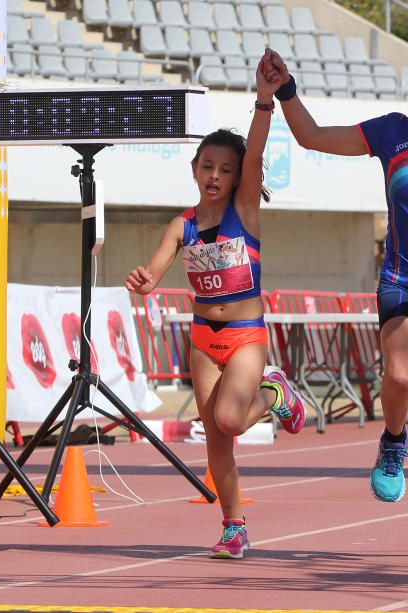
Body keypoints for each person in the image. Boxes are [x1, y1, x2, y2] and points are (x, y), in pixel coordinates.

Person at [261, 39, 408, 559]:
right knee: (399, 376)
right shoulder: (392, 132)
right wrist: (286, 91)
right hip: (403, 280)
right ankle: (394, 441)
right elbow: (310, 138)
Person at [125, 51, 306, 560]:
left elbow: (255, 156)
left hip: (247, 334)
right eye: (207, 166)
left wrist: (264, 101)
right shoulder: (181, 225)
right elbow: (155, 272)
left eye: (225, 170)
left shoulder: (244, 213)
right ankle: (234, 527)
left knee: (229, 418)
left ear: (234, 178)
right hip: (204, 338)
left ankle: (275, 392)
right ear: (194, 168)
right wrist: (144, 281)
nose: (215, 175)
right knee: (216, 441)